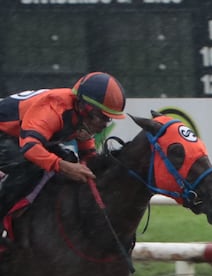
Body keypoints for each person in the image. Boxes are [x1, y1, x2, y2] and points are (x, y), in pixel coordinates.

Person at [0, 71, 127, 221]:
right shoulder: (53, 109)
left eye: (108, 119)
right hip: (9, 135)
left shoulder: (80, 116)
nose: (104, 125)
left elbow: (88, 154)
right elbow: (30, 148)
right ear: (83, 106)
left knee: (69, 160)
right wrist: (64, 166)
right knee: (28, 167)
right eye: (102, 117)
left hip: (19, 137)